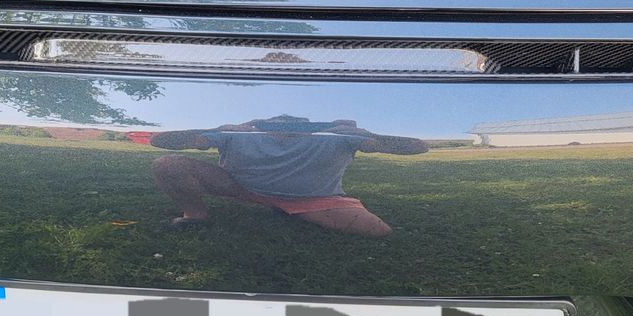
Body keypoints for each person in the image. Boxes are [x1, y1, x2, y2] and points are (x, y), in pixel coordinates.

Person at [150, 115, 428, 237]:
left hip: (313, 199)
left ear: (312, 126)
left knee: (377, 231)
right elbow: (161, 141)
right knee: (167, 165)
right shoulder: (240, 134)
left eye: (296, 124)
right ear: (263, 124)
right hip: (240, 189)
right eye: (277, 123)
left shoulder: (335, 137)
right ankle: (195, 215)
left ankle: (288, 209)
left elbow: (418, 147)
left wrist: (366, 135)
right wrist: (219, 128)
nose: (285, 127)